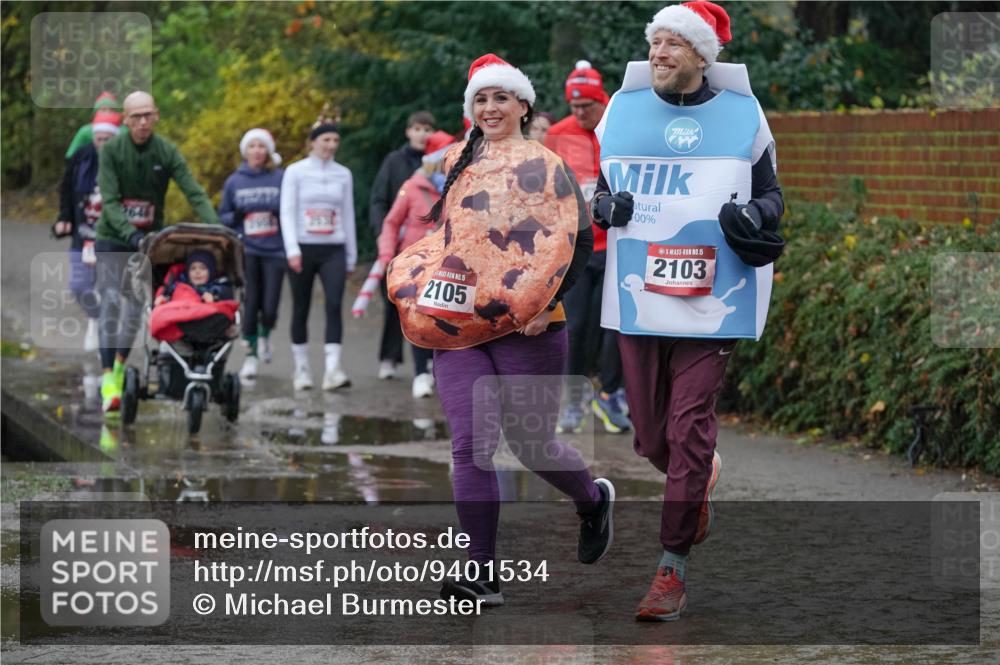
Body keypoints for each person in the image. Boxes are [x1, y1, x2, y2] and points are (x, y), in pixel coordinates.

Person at [387, 54, 615, 606]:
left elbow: (579, 244)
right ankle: (481, 574)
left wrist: (544, 303)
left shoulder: (546, 163)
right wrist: (417, 281)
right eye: (480, 100)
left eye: (500, 98)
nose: (490, 108)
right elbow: (451, 240)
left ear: (522, 106)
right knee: (470, 448)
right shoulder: (455, 163)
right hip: (460, 322)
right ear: (472, 110)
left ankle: (592, 502)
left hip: (531, 325)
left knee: (532, 444)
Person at [592, 2, 785, 621]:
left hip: (713, 296)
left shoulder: (743, 115)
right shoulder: (621, 111)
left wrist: (754, 216)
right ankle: (697, 476)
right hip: (639, 294)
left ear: (703, 56)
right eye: (655, 44)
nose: (659, 54)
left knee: (688, 425)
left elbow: (772, 194)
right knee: (650, 437)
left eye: (674, 44)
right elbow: (600, 189)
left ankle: (670, 571)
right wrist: (605, 209)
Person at [94, 91, 220, 414]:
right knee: (109, 303)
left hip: (149, 242)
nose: (142, 122)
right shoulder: (111, 152)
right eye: (135, 116)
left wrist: (217, 229)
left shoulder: (166, 150)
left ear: (157, 115)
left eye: (148, 115)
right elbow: (109, 203)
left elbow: (192, 189)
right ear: (125, 120)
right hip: (114, 237)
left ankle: (121, 366)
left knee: (137, 310)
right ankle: (108, 377)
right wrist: (130, 234)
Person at [546, 60, 632, 435]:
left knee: (614, 326)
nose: (580, 113)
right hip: (576, 247)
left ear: (602, 100)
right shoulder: (558, 134)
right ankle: (575, 399)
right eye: (574, 106)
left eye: (588, 106)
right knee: (576, 325)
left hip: (616, 243)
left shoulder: (619, 127)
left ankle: (611, 394)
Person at [376, 130, 455, 398]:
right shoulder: (412, 187)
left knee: (442, 319)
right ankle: (420, 374)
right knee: (418, 317)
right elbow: (390, 222)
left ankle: (438, 369)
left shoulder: (460, 187)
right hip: (414, 265)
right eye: (444, 157)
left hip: (448, 266)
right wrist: (387, 256)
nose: (448, 162)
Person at [279, 122, 357, 391]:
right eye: (326, 140)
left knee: (334, 304)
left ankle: (333, 369)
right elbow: (286, 212)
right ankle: (301, 369)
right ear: (313, 142)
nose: (331, 145)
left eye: (335, 140)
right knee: (301, 307)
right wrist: (292, 249)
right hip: (303, 246)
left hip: (333, 247)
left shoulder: (343, 174)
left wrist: (351, 255)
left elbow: (348, 214)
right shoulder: (295, 172)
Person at [369, 111, 436, 380]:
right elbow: (379, 200)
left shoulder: (438, 163)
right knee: (394, 305)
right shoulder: (394, 161)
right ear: (409, 131)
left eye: (427, 129)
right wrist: (382, 235)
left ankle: (428, 364)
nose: (423, 134)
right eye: (418, 128)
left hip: (428, 248)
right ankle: (389, 357)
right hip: (396, 244)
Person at [218, 128, 285, 380]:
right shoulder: (235, 181)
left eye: (261, 146)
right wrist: (236, 216)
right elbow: (223, 214)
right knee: (250, 302)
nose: (257, 150)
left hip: (275, 249)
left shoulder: (280, 177)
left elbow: (289, 208)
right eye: (252, 146)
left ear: (268, 150)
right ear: (245, 151)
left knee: (270, 304)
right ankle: (251, 356)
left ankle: (266, 334)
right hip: (247, 249)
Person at [52, 110, 122, 352]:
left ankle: (104, 328)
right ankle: (95, 317)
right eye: (99, 138)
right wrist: (64, 218)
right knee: (79, 286)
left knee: (107, 286)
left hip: (110, 236)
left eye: (107, 139)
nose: (102, 144)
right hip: (83, 233)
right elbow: (67, 190)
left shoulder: (123, 160)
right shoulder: (81, 158)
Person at [154, 251, 234, 306]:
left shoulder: (217, 286)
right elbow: (168, 295)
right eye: (193, 269)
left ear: (211, 271)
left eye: (202, 268)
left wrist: (215, 297)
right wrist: (164, 299)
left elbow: (226, 293)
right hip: (179, 312)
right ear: (187, 273)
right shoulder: (177, 286)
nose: (197, 272)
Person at [65, 91, 120, 159]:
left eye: (111, 109)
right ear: (96, 111)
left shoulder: (124, 130)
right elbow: (71, 155)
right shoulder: (85, 131)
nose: (107, 112)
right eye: (103, 109)